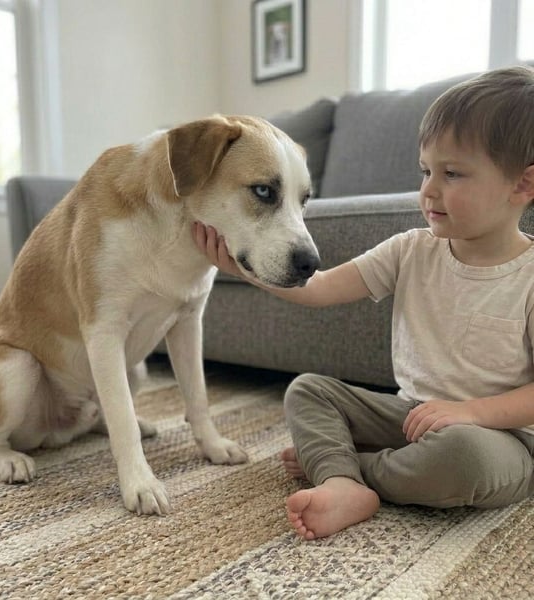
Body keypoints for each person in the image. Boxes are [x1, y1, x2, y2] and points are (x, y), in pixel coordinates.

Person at [192, 66, 534, 540]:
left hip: (502, 438)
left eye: (452, 173)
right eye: (426, 171)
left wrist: (471, 413)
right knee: (308, 390)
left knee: (463, 460)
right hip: (409, 416)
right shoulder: (409, 249)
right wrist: (244, 267)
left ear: (522, 186)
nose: (429, 190)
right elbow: (319, 289)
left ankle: (351, 470)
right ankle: (344, 482)